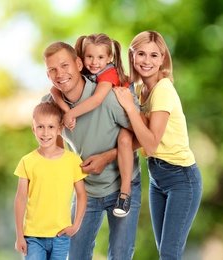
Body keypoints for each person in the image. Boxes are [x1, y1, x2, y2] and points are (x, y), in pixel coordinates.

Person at [42, 41, 142, 259]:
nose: (60, 74)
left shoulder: (108, 97)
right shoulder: (50, 105)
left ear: (79, 64)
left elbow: (144, 136)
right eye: (52, 70)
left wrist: (107, 157)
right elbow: (54, 152)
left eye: (64, 65)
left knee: (120, 255)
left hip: (122, 186)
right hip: (86, 190)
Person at [113, 30, 203, 259]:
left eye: (154, 55)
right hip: (157, 177)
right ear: (132, 56)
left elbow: (151, 144)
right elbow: (140, 139)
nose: (147, 61)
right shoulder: (143, 91)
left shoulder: (162, 90)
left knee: (169, 253)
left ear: (162, 58)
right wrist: (107, 156)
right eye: (141, 54)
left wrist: (130, 108)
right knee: (164, 250)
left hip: (182, 179)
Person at [50, 33, 134, 217]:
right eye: (90, 57)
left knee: (125, 142)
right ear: (81, 59)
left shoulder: (108, 74)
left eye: (100, 57)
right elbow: (53, 90)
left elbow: (96, 100)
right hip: (89, 187)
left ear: (109, 58)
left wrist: (71, 113)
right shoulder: (86, 73)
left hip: (125, 106)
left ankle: (125, 192)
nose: (94, 62)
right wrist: (65, 109)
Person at [14, 101, 88, 259]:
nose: (45, 132)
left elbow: (82, 195)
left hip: (60, 236)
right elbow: (20, 199)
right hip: (33, 236)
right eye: (40, 127)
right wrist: (19, 235)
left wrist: (75, 226)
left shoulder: (72, 161)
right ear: (33, 129)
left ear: (59, 129)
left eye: (51, 127)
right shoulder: (27, 162)